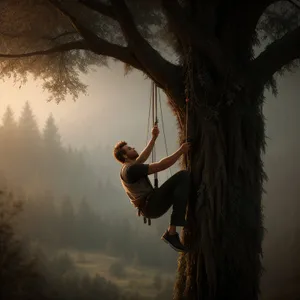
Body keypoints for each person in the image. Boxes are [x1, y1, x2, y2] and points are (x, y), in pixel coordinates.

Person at [113, 124, 190, 252]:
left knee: (180, 184)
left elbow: (143, 156)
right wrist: (181, 151)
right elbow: (160, 166)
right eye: (129, 148)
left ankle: (172, 231)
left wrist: (153, 138)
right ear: (125, 156)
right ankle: (172, 232)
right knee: (183, 176)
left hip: (149, 206)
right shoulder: (130, 170)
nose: (133, 148)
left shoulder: (127, 168)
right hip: (151, 205)